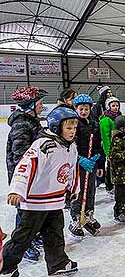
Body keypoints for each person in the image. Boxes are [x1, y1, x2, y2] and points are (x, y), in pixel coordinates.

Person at [0, 107, 79, 276]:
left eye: (74, 128)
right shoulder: (44, 144)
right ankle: (5, 266)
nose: (72, 131)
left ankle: (58, 263)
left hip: (55, 201)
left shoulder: (71, 147)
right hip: (35, 202)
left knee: (55, 235)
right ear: (56, 127)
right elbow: (26, 166)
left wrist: (73, 188)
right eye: (68, 128)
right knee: (23, 238)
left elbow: (72, 169)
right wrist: (17, 190)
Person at [6, 86, 47, 262]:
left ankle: (34, 235)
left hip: (35, 175)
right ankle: (23, 244)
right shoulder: (22, 125)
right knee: (24, 212)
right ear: (31, 105)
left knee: (34, 211)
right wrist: (23, 181)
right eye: (40, 103)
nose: (42, 106)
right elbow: (20, 156)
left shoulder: (31, 121)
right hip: (24, 177)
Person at [69, 94, 103, 238]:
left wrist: (99, 161)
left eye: (86, 109)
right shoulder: (73, 124)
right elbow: (70, 146)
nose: (84, 112)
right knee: (79, 190)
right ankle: (76, 217)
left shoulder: (94, 124)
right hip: (79, 164)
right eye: (81, 109)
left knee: (90, 190)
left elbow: (99, 145)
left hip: (92, 162)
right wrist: (79, 159)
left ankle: (88, 213)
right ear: (75, 109)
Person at [99, 96, 122, 196]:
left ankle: (117, 184)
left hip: (120, 146)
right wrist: (108, 151)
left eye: (117, 105)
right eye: (113, 106)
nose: (116, 107)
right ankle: (109, 185)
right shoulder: (106, 119)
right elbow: (105, 137)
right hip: (111, 147)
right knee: (111, 167)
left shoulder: (119, 117)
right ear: (108, 107)